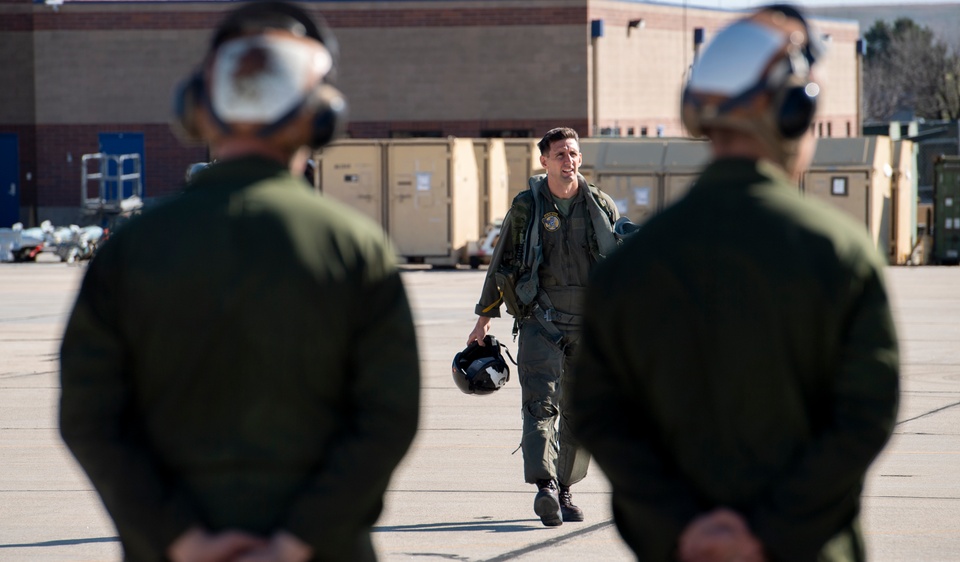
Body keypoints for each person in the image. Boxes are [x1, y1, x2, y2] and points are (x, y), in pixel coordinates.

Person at [59, 3, 420, 561]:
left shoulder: (131, 248)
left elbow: (89, 418)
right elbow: (389, 417)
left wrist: (179, 536)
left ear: (196, 111)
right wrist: (297, 540)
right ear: (322, 115)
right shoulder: (355, 246)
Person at [568, 5, 900, 561]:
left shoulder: (631, 265)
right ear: (794, 113)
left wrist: (683, 528)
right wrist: (768, 530)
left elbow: (600, 416)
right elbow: (865, 416)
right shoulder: (839, 253)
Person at [467, 127, 620, 527]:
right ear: (544, 161)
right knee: (540, 405)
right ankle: (545, 487)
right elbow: (501, 265)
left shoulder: (600, 207)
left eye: (573, 154)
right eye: (560, 155)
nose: (568, 161)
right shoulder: (526, 207)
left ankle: (566, 488)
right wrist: (482, 321)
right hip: (541, 321)